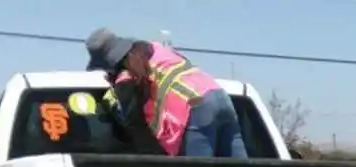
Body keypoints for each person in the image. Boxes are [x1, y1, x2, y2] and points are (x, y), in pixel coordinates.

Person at [84, 29, 246, 158]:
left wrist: (153, 158)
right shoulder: (157, 49)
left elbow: (136, 126)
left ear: (108, 62)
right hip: (222, 98)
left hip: (196, 108)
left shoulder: (126, 76)